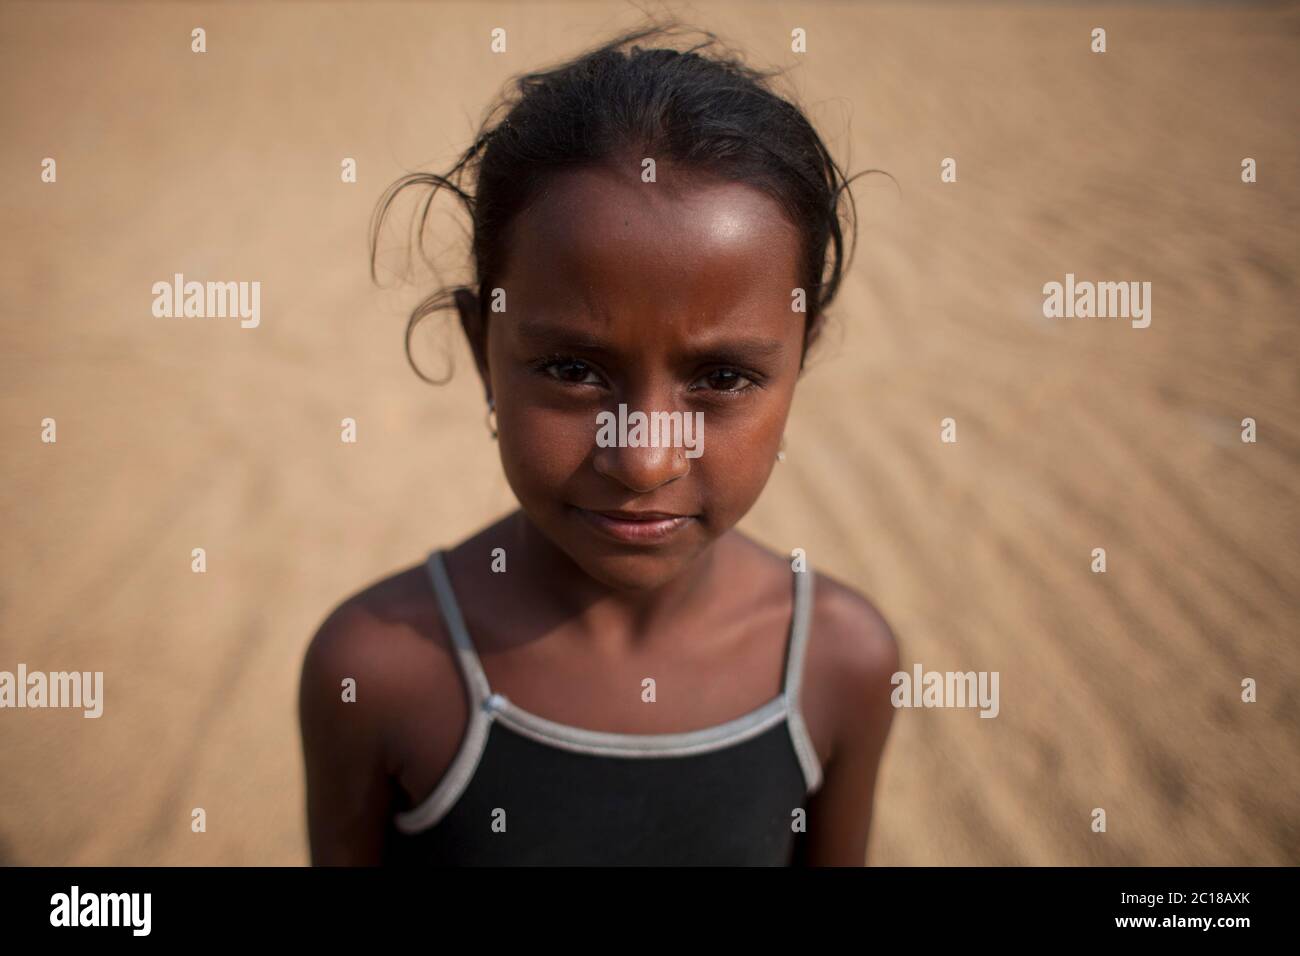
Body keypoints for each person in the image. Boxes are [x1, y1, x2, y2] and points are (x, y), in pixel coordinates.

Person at [299, 19, 899, 866]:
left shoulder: (840, 663)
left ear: (800, 363)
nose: (645, 458)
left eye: (722, 379)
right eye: (574, 369)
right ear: (482, 352)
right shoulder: (379, 670)